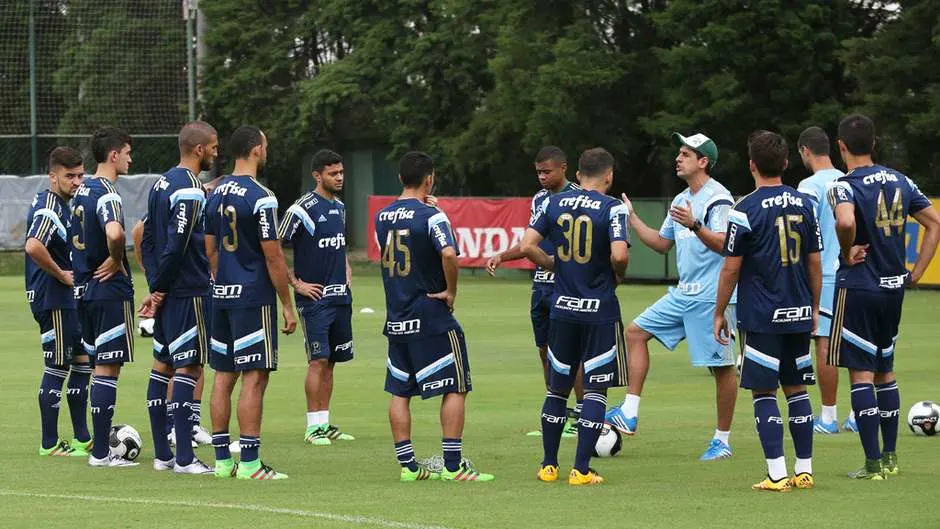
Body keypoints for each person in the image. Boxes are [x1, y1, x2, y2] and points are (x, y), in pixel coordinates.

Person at [606, 132, 738, 461]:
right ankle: (630, 412)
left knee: (721, 369)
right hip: (683, 294)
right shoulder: (680, 200)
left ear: (703, 162)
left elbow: (726, 245)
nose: (678, 158)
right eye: (679, 153)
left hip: (711, 298)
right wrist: (632, 218)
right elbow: (661, 243)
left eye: (686, 154)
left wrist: (695, 225)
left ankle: (722, 440)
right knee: (634, 332)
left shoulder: (718, 198)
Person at [827, 114, 940, 479]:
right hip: (893, 289)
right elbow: (934, 223)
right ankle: (891, 458)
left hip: (859, 287)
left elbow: (845, 222)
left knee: (861, 375)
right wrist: (918, 271)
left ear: (840, 146)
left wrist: (846, 251)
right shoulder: (901, 180)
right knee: (885, 372)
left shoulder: (843, 185)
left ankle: (872, 462)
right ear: (873, 144)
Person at [375, 151, 494, 482]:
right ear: (430, 178)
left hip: (397, 315)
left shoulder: (381, 217)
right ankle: (453, 466)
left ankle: (409, 467)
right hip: (429, 311)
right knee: (456, 384)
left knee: (400, 392)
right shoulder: (432, 216)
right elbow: (447, 253)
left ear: (400, 179)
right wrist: (451, 291)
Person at [714, 130, 822, 492]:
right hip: (798, 309)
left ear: (751, 165)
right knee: (797, 389)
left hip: (762, 314)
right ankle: (804, 470)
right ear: (786, 163)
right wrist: (815, 306)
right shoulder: (805, 203)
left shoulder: (743, 209)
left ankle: (776, 474)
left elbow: (730, 267)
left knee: (763, 392)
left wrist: (718, 312)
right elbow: (814, 263)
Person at [522, 147, 630, 485]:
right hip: (598, 310)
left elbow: (527, 245)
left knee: (557, 389)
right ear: (609, 175)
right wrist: (617, 273)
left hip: (562, 308)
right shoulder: (613, 208)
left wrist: (555, 264)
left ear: (579, 174)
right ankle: (581, 469)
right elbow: (620, 255)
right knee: (596, 391)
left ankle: (548, 465)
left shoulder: (552, 204)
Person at [205, 125, 297, 480]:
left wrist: (223, 279)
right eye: (266, 145)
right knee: (254, 377)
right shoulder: (262, 196)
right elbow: (273, 258)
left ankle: (222, 461)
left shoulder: (214, 192)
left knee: (223, 377)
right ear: (257, 150)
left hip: (221, 294)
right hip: (252, 298)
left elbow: (209, 249)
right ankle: (250, 464)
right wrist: (287, 304)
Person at [486, 146, 583, 437]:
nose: (542, 177)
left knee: (572, 354)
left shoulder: (579, 198)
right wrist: (503, 255)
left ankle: (582, 414)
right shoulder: (540, 199)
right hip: (541, 286)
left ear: (564, 167)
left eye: (547, 171)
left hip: (567, 287)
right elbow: (531, 242)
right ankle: (559, 415)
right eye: (538, 172)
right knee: (545, 351)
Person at [140, 120, 219, 474]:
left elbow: (146, 237)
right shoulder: (187, 187)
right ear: (199, 149)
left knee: (162, 366)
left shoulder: (161, 183)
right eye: (214, 146)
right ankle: (185, 458)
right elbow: (178, 243)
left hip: (169, 289)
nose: (216, 152)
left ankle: (162, 455)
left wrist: (155, 284)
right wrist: (161, 286)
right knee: (189, 367)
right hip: (187, 290)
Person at [279, 149, 356, 445]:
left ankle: (324, 422)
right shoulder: (302, 208)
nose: (339, 178)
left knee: (332, 360)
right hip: (316, 300)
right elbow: (274, 246)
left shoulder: (339, 206)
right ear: (317, 175)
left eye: (341, 172)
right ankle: (312, 427)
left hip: (340, 297)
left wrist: (346, 268)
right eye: (332, 173)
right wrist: (296, 283)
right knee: (318, 360)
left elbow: (339, 246)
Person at [71, 127, 137, 467]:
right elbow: (114, 231)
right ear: (113, 155)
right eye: (127, 152)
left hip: (82, 290)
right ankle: (100, 453)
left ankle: (99, 447)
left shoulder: (80, 191)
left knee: (99, 367)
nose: (130, 158)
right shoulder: (107, 194)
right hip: (107, 290)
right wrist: (115, 258)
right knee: (107, 371)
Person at [25, 146, 91, 457]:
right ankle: (49, 443)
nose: (77, 181)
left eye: (80, 175)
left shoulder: (65, 204)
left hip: (65, 299)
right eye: (69, 176)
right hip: (53, 298)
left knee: (82, 363)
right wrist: (63, 275)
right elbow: (33, 245)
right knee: (59, 365)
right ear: (53, 177)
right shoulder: (49, 206)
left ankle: (82, 438)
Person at [795, 126, 854, 434]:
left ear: (805, 151)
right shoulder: (849, 180)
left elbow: (803, 234)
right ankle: (860, 414)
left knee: (825, 343)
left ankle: (828, 417)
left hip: (826, 275)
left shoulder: (808, 186)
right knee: (858, 344)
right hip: (855, 272)